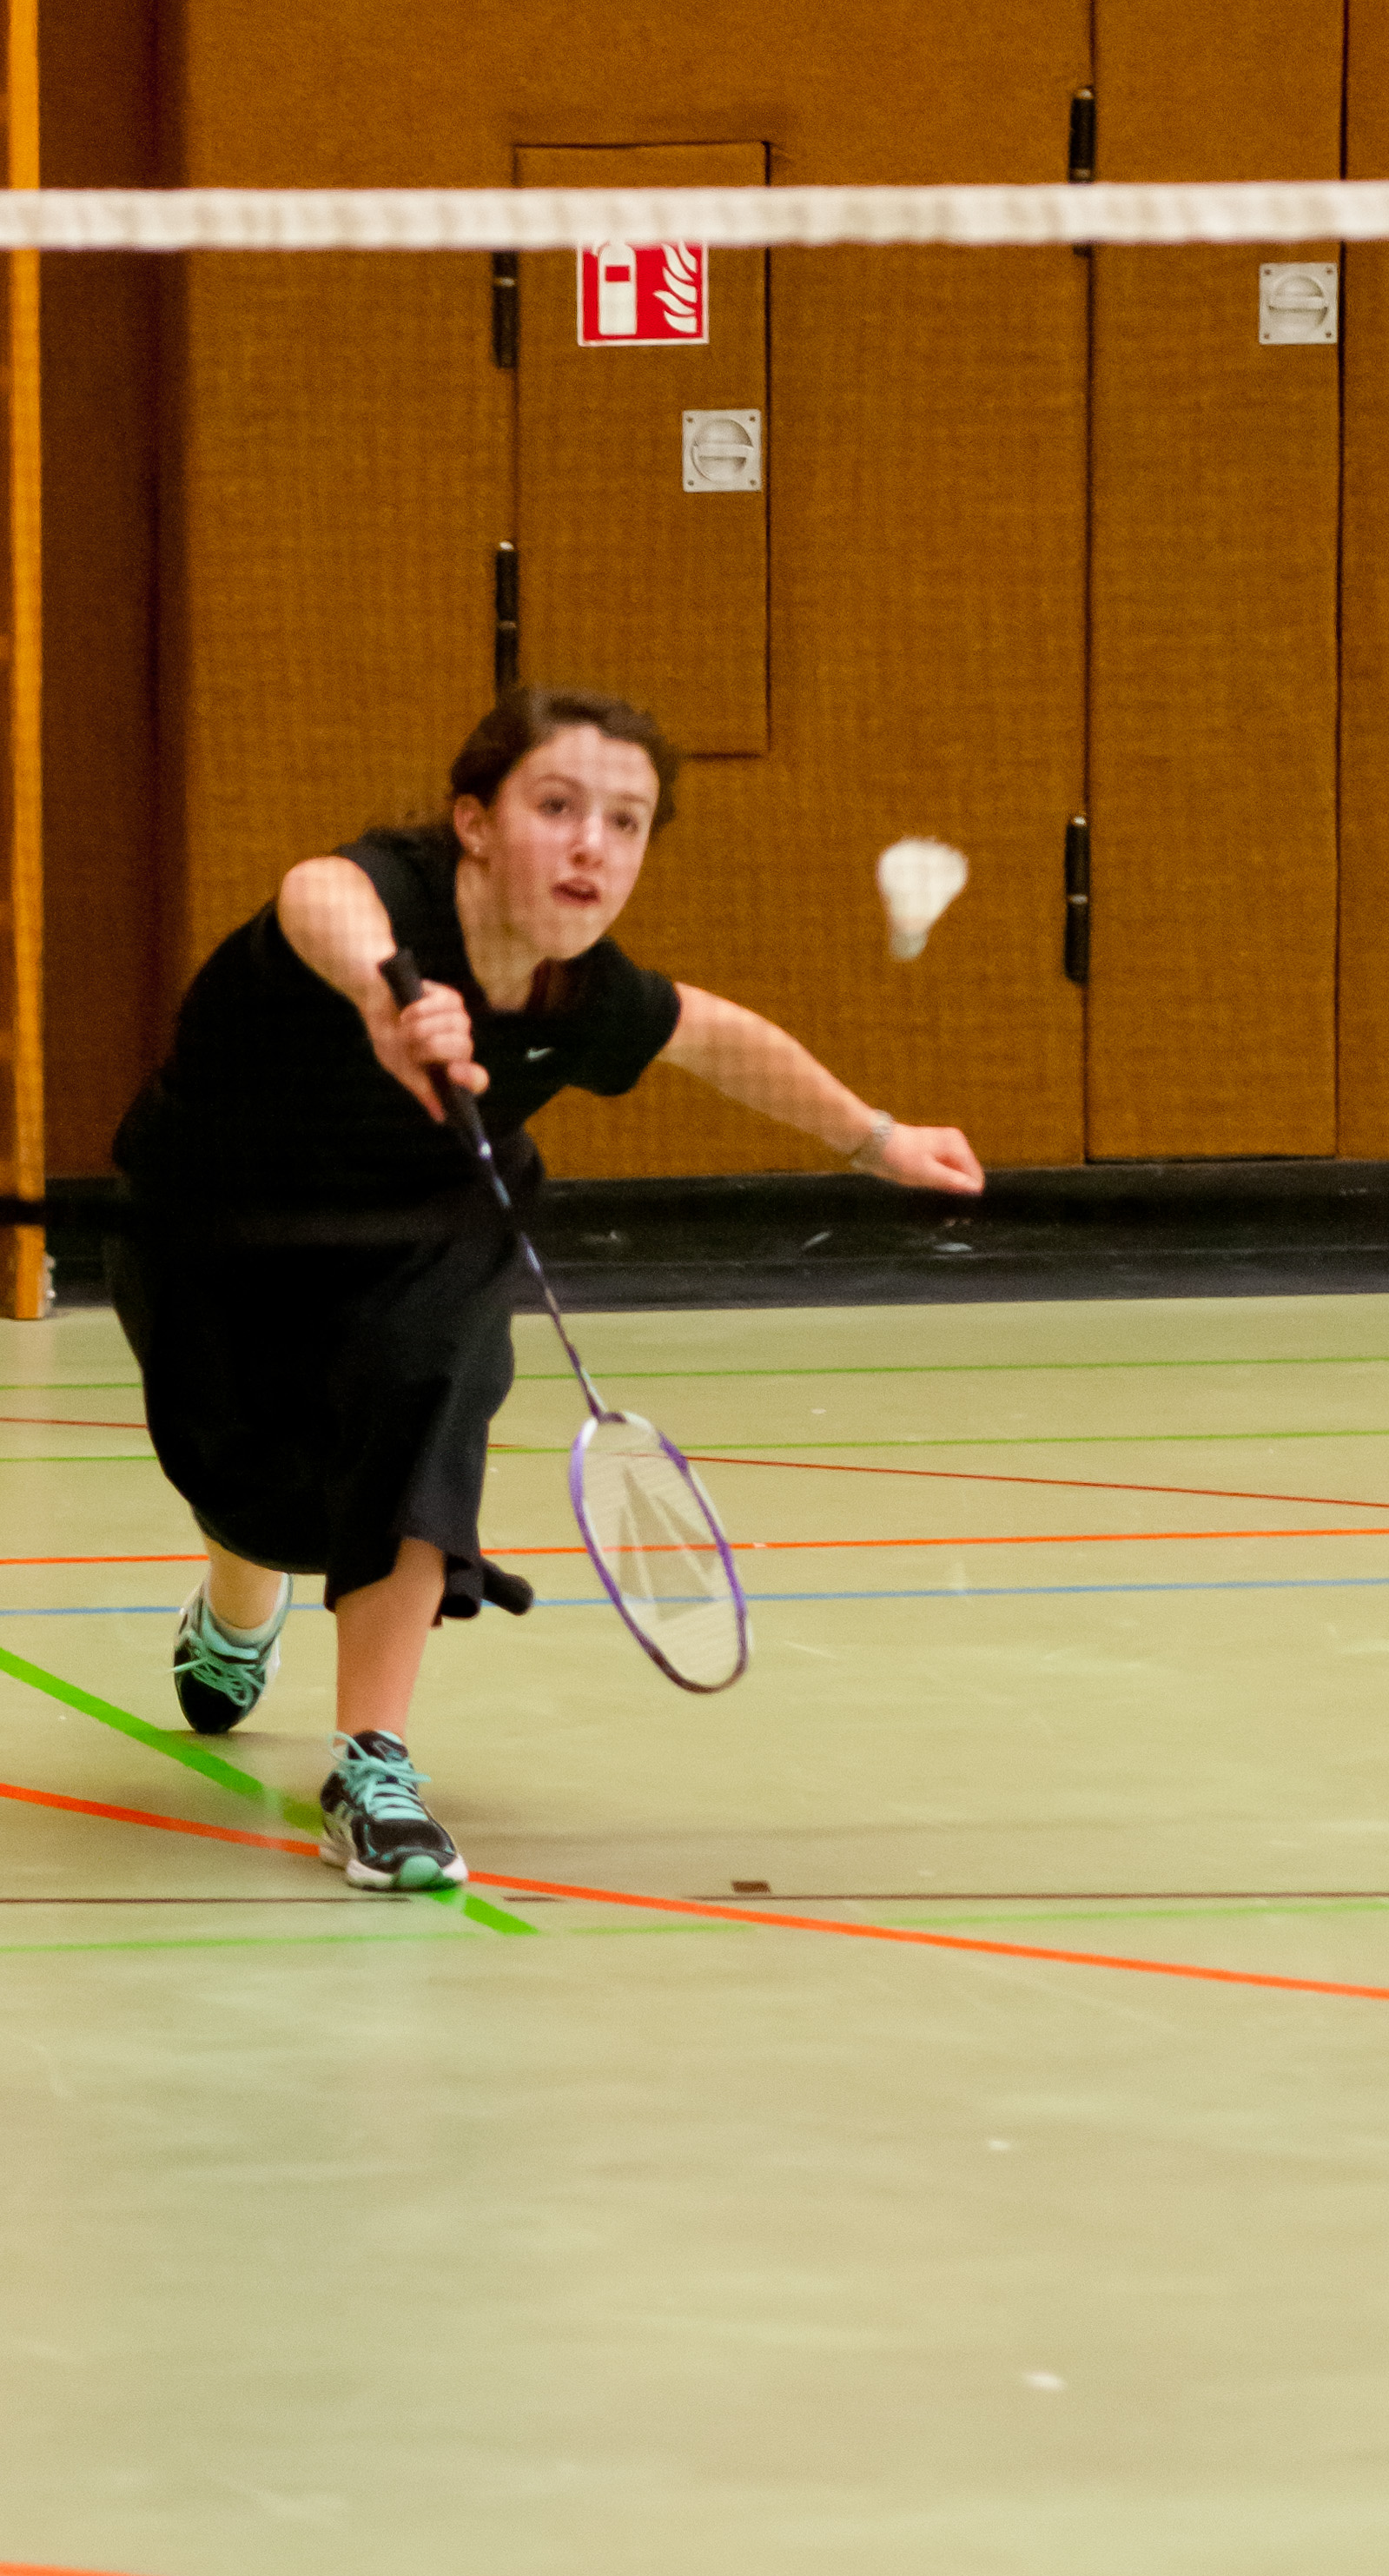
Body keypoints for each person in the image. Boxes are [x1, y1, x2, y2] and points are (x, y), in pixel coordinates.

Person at [107, 685, 984, 1895]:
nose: (593, 846)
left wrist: (877, 1139)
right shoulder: (391, 897)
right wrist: (386, 992)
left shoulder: (581, 993)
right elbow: (318, 891)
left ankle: (372, 1768)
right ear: (473, 822)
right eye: (558, 807)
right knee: (249, 1476)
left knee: (424, 1401)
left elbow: (713, 1036)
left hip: (431, 1219)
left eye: (627, 823)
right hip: (214, 1217)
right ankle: (239, 1594)